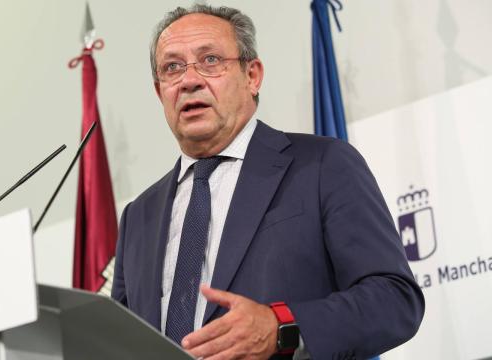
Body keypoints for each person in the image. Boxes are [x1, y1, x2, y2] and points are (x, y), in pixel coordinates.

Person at [111, 4, 424, 359]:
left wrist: (282, 327)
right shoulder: (138, 217)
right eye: (172, 67)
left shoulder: (323, 165)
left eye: (210, 60)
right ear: (159, 92)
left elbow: (395, 300)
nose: (190, 80)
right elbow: (119, 343)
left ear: (252, 76)